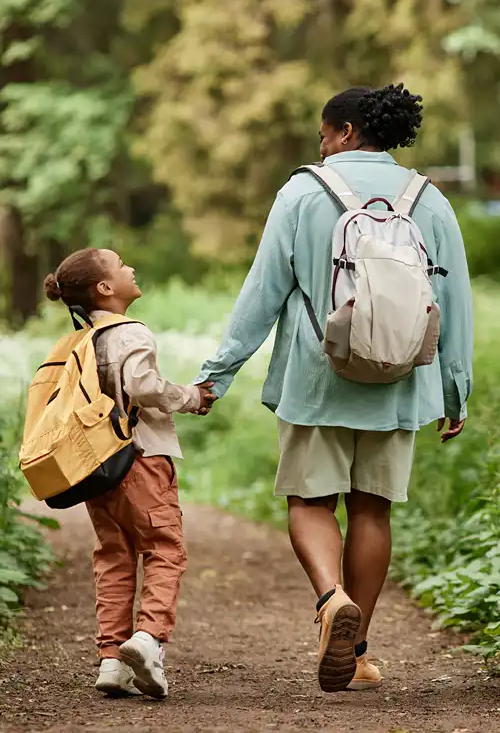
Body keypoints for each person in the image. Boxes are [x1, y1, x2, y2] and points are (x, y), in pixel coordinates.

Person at [195, 84, 473, 693]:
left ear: (346, 132)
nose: (320, 148)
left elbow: (263, 290)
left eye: (324, 136)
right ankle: (361, 650)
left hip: (318, 375)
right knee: (372, 509)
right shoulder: (430, 199)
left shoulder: (302, 192)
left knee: (310, 502)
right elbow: (454, 302)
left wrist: (218, 372)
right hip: (401, 379)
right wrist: (456, 390)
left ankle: (329, 602)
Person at [44, 249, 215, 699]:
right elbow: (143, 387)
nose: (130, 269)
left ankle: (110, 661)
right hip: (141, 458)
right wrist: (191, 397)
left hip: (97, 468)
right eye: (120, 266)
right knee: (164, 549)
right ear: (105, 288)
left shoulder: (82, 339)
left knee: (114, 556)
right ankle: (148, 640)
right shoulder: (130, 333)